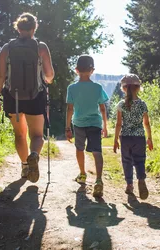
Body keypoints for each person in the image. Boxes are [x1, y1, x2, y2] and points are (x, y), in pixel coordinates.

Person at [0, 13, 54, 183]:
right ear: (34, 28)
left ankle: (25, 166)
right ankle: (34, 155)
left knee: (20, 135)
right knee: (36, 135)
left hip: (13, 97)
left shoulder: (7, 48)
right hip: (36, 96)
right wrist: (47, 80)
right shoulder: (40, 47)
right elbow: (49, 75)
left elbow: (0, 76)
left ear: (18, 28)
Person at [65, 55, 109, 198]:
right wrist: (105, 126)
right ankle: (98, 180)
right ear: (92, 70)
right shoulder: (98, 87)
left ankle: (83, 174)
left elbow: (69, 109)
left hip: (78, 123)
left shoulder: (72, 88)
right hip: (95, 124)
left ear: (76, 70)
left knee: (79, 148)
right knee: (97, 151)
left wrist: (67, 127)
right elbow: (102, 108)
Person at [113, 74, 153, 199]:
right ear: (138, 87)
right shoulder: (142, 104)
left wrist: (115, 140)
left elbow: (119, 124)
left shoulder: (121, 104)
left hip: (125, 137)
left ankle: (129, 184)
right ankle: (141, 180)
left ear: (124, 88)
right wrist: (149, 138)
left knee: (127, 161)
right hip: (139, 137)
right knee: (140, 160)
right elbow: (146, 123)